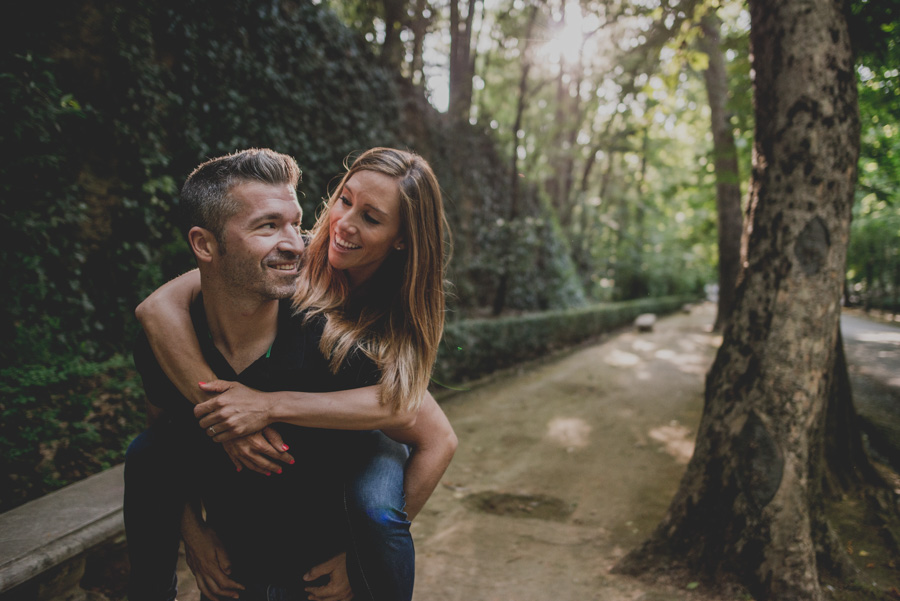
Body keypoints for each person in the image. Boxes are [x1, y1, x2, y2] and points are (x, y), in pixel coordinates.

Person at [126, 148, 456, 601]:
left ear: (401, 239)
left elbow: (411, 413)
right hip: (316, 431)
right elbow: (159, 307)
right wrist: (224, 418)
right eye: (345, 199)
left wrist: (266, 405)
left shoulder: (382, 319)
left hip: (368, 427)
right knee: (147, 452)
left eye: (372, 218)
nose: (343, 223)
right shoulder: (294, 257)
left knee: (376, 507)